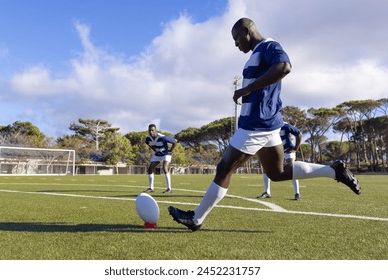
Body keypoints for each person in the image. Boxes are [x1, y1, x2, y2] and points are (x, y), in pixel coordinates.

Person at [168, 17, 360, 231]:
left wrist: (247, 89)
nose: (235, 44)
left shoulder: (269, 45)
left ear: (245, 31)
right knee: (277, 173)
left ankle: (196, 219)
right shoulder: (256, 54)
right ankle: (333, 171)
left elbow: (284, 67)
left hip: (256, 124)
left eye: (235, 39)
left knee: (224, 168)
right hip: (266, 124)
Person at [258, 122, 303, 200]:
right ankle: (267, 192)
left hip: (288, 151)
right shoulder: (270, 126)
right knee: (266, 169)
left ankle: (297, 193)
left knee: (292, 169)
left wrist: (296, 148)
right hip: (275, 152)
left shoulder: (286, 126)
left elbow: (299, 134)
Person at [144, 124, 178, 193]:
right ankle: (151, 188)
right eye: (149, 130)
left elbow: (175, 141)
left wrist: (170, 150)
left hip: (166, 154)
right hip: (158, 154)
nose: (151, 132)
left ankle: (169, 188)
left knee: (165, 167)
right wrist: (154, 149)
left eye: (152, 130)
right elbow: (148, 143)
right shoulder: (148, 138)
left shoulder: (163, 137)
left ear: (155, 130)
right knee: (150, 169)